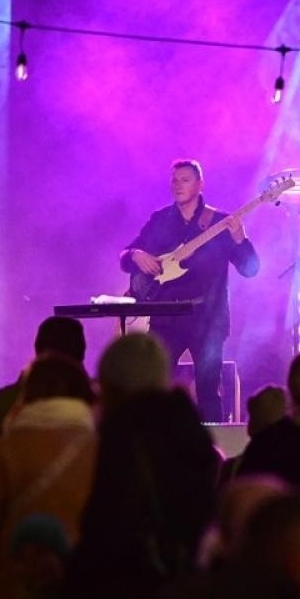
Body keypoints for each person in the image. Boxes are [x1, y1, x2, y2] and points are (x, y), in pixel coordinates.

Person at [121, 159, 259, 422]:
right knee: (156, 390)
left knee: (208, 393)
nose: (178, 185)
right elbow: (124, 257)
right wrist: (136, 255)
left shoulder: (219, 222)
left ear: (200, 184)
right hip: (165, 318)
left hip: (207, 320)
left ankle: (213, 452)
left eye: (185, 180)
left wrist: (241, 238)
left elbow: (251, 268)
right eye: (174, 180)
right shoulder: (160, 220)